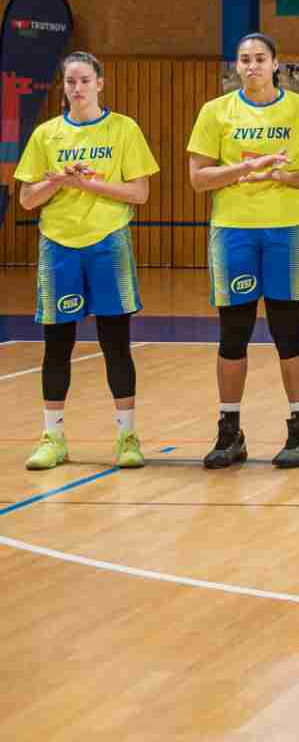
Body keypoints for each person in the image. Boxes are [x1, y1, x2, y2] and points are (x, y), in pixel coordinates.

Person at [187, 32, 299, 470]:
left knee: (288, 331)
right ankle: (229, 432)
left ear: (275, 64)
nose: (252, 66)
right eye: (245, 59)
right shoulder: (215, 112)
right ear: (237, 66)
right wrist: (245, 168)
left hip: (287, 231)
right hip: (234, 232)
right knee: (233, 334)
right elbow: (198, 178)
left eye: (260, 58)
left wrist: (282, 176)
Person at [15, 52, 158, 471]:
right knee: (57, 345)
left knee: (115, 343)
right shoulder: (46, 135)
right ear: (63, 87)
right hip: (59, 245)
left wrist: (90, 184)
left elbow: (139, 193)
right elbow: (27, 199)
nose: (77, 88)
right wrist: (61, 180)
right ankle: (53, 437)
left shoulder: (124, 129)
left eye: (84, 80)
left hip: (108, 243)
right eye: (70, 82)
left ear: (100, 83)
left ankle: (127, 436)